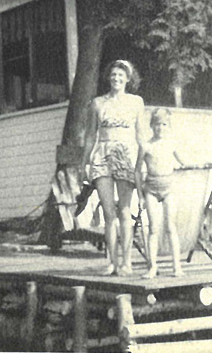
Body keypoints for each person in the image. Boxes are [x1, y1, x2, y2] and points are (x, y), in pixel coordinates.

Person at [83, 60, 145, 276]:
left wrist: (141, 162)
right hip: (102, 155)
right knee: (109, 213)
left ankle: (126, 262)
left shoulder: (136, 102)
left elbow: (141, 135)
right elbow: (91, 135)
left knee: (125, 211)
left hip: (126, 155)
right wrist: (85, 162)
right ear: (108, 78)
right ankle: (111, 262)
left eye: (121, 75)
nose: (116, 78)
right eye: (113, 75)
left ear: (128, 79)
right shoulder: (97, 103)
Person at [139, 108, 212, 278]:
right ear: (152, 125)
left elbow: (184, 162)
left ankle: (177, 266)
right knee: (153, 228)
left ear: (169, 126)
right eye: (157, 124)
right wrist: (139, 194)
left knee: (170, 227)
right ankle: (152, 267)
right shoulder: (146, 146)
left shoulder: (171, 144)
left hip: (168, 189)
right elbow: (137, 171)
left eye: (164, 124)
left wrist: (199, 164)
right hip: (150, 189)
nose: (160, 128)